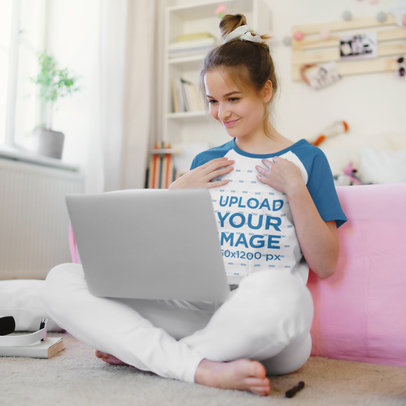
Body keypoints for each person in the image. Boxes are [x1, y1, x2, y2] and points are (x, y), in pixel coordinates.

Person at [43, 14, 346, 397]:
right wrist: (176, 191)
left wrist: (296, 190)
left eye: (233, 99)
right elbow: (162, 255)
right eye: (213, 101)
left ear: (265, 91)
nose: (222, 113)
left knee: (283, 291)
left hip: (264, 322)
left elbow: (327, 263)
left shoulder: (307, 159)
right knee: (61, 281)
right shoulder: (206, 161)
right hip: (194, 310)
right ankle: (201, 367)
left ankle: (160, 358)